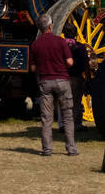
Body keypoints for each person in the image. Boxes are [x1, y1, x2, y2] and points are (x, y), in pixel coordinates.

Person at [30, 14, 78, 156]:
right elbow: (70, 62)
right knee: (68, 116)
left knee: (47, 118)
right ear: (51, 26)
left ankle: (47, 149)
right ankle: (71, 149)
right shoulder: (60, 41)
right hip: (62, 80)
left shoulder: (35, 44)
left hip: (45, 82)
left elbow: (33, 68)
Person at [67, 38, 89, 131]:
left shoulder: (61, 45)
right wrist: (88, 78)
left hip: (64, 77)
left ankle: (65, 124)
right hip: (77, 77)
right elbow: (86, 63)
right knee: (76, 102)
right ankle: (76, 125)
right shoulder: (80, 47)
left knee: (65, 102)